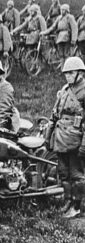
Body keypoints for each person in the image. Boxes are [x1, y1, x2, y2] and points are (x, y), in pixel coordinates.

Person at [48, 56, 85, 218]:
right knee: (63, 173)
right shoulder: (64, 90)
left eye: (71, 73)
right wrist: (48, 137)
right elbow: (55, 114)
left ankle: (76, 206)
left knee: (76, 174)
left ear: (80, 73)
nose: (68, 76)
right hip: (61, 137)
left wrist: (84, 145)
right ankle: (68, 201)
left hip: (76, 139)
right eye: (66, 73)